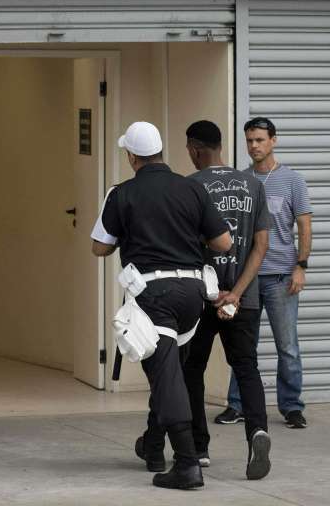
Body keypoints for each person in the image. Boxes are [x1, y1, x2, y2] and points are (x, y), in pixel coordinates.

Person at [91, 121, 232, 490]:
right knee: (167, 373)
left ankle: (186, 464)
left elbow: (100, 247)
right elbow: (223, 243)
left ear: (132, 155)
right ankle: (152, 446)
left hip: (154, 296)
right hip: (193, 295)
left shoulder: (121, 193)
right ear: (160, 152)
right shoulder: (192, 188)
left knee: (167, 378)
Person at [181, 120, 274, 480]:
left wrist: (214, 292)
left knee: (192, 369)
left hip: (202, 299)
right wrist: (236, 292)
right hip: (244, 299)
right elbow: (261, 245)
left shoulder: (190, 187)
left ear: (194, 149)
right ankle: (257, 433)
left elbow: (188, 244)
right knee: (247, 368)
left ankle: (199, 447)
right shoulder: (253, 184)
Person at [217, 116, 313, 430]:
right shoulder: (242, 181)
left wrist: (301, 265)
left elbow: (304, 225)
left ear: (273, 140)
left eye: (259, 140)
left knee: (287, 345)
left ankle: (292, 407)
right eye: (249, 141)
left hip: (281, 275)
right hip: (247, 278)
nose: (254, 146)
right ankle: (237, 405)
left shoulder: (292, 180)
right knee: (243, 343)